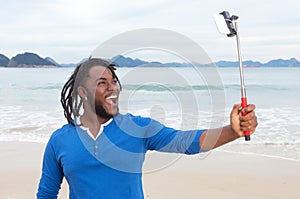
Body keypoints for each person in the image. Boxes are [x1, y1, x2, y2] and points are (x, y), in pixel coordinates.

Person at [37, 58, 257, 199]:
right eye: (102, 83)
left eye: (114, 82)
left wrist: (232, 130)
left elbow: (187, 142)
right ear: (83, 92)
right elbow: (47, 193)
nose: (112, 88)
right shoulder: (60, 140)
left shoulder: (138, 128)